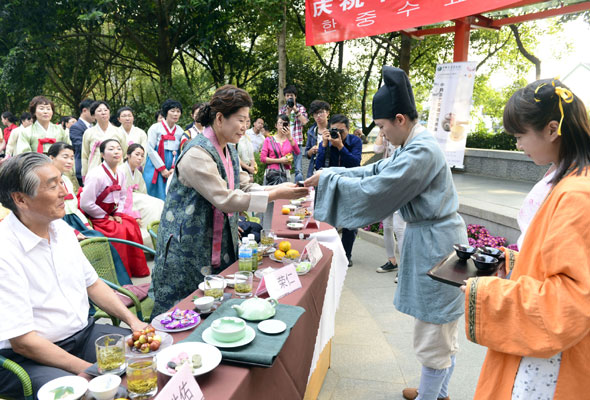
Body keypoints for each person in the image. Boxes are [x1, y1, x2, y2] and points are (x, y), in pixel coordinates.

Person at [305, 67, 466, 400]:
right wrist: (329, 173)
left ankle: (430, 395)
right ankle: (435, 391)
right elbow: (374, 169)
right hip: (433, 239)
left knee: (434, 325)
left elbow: (378, 187)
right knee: (436, 322)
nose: (381, 136)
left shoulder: (420, 150)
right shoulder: (413, 143)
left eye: (381, 128)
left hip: (437, 243)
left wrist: (331, 182)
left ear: (399, 119)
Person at [462, 79, 590, 399]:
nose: (518, 145)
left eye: (520, 136)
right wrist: (514, 262)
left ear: (551, 129)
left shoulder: (576, 193)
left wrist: (486, 292)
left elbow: (569, 302)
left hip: (551, 365)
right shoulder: (570, 177)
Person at [150, 85, 308, 315]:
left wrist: (277, 188)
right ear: (220, 118)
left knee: (214, 306)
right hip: (188, 247)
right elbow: (224, 198)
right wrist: (275, 194)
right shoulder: (196, 153)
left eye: (248, 120)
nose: (245, 126)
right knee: (183, 311)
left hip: (213, 241)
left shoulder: (228, 149)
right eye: (241, 120)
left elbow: (242, 185)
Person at [0, 153, 146, 398]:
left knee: (146, 358)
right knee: (91, 392)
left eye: (61, 182)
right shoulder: (5, 251)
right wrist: (90, 369)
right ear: (20, 199)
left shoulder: (61, 229)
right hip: (27, 358)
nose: (65, 193)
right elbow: (23, 341)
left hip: (83, 335)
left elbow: (93, 284)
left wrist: (134, 323)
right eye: (52, 185)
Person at [47, 142, 132, 286]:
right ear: (51, 158)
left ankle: (118, 285)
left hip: (75, 220)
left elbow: (74, 207)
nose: (70, 161)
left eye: (72, 157)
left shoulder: (66, 179)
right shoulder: (46, 182)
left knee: (101, 239)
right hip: (58, 224)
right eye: (65, 157)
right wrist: (72, 231)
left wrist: (86, 225)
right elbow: (48, 214)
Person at [81, 139, 150, 278]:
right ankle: (119, 274)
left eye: (118, 148)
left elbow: (123, 196)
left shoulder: (121, 173)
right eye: (111, 149)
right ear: (102, 154)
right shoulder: (95, 174)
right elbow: (85, 203)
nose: (116, 152)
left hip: (113, 213)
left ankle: (135, 270)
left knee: (131, 225)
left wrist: (118, 212)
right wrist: (106, 216)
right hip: (98, 215)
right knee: (118, 232)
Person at [314, 114, 363, 266]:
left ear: (348, 130)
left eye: (342, 131)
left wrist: (341, 147)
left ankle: (346, 255)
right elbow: (319, 166)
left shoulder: (355, 141)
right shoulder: (327, 142)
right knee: (329, 222)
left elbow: (355, 163)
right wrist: (323, 145)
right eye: (335, 130)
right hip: (332, 186)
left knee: (350, 224)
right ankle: (330, 254)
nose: (338, 134)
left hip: (350, 185)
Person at [374, 130, 407, 274]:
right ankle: (391, 261)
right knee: (387, 225)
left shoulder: (407, 140)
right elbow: (377, 149)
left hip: (401, 186)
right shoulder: (387, 136)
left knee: (400, 229)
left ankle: (405, 268)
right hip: (387, 184)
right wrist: (381, 133)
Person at [122, 143, 165, 248]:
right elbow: (121, 195)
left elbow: (143, 193)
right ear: (128, 155)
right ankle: (147, 242)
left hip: (137, 200)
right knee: (152, 206)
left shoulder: (138, 173)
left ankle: (154, 240)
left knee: (159, 204)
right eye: (137, 154)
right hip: (126, 202)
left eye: (142, 155)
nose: (140, 158)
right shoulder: (121, 170)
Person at [143, 99, 183, 200]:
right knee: (154, 193)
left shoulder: (180, 130)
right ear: (166, 112)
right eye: (172, 111)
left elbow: (181, 151)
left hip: (173, 164)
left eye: (178, 111)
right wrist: (162, 168)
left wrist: (174, 167)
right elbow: (150, 149)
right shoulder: (155, 128)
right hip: (156, 163)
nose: (175, 114)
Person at [81, 101, 126, 180]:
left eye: (105, 110)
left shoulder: (119, 132)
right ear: (93, 115)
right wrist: (85, 173)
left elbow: (124, 152)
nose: (103, 113)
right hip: (95, 170)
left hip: (116, 169)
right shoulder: (88, 133)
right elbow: (85, 155)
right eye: (99, 111)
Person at [260, 114, 300, 185]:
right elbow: (263, 158)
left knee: (284, 195)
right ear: (276, 125)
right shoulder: (269, 140)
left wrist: (290, 137)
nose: (282, 125)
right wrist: (280, 160)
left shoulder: (291, 140)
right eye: (280, 123)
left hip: (285, 173)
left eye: (285, 123)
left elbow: (297, 152)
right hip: (271, 174)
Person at [279, 85, 309, 182]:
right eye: (287, 95)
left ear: (295, 96)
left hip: (297, 142)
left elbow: (304, 121)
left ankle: (298, 190)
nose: (289, 97)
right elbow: (280, 125)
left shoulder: (301, 108)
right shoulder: (283, 109)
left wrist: (296, 110)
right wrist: (287, 112)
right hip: (284, 142)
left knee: (298, 169)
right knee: (282, 167)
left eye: (291, 95)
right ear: (285, 97)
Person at [70, 99, 95, 185]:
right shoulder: (76, 127)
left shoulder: (93, 127)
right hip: (82, 168)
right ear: (84, 110)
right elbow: (80, 146)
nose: (96, 114)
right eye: (93, 111)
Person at [304, 100, 330, 179]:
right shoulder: (311, 131)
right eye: (315, 113)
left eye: (321, 112)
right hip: (314, 170)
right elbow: (306, 154)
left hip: (330, 168)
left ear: (327, 113)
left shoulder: (333, 129)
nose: (318, 115)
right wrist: (311, 151)